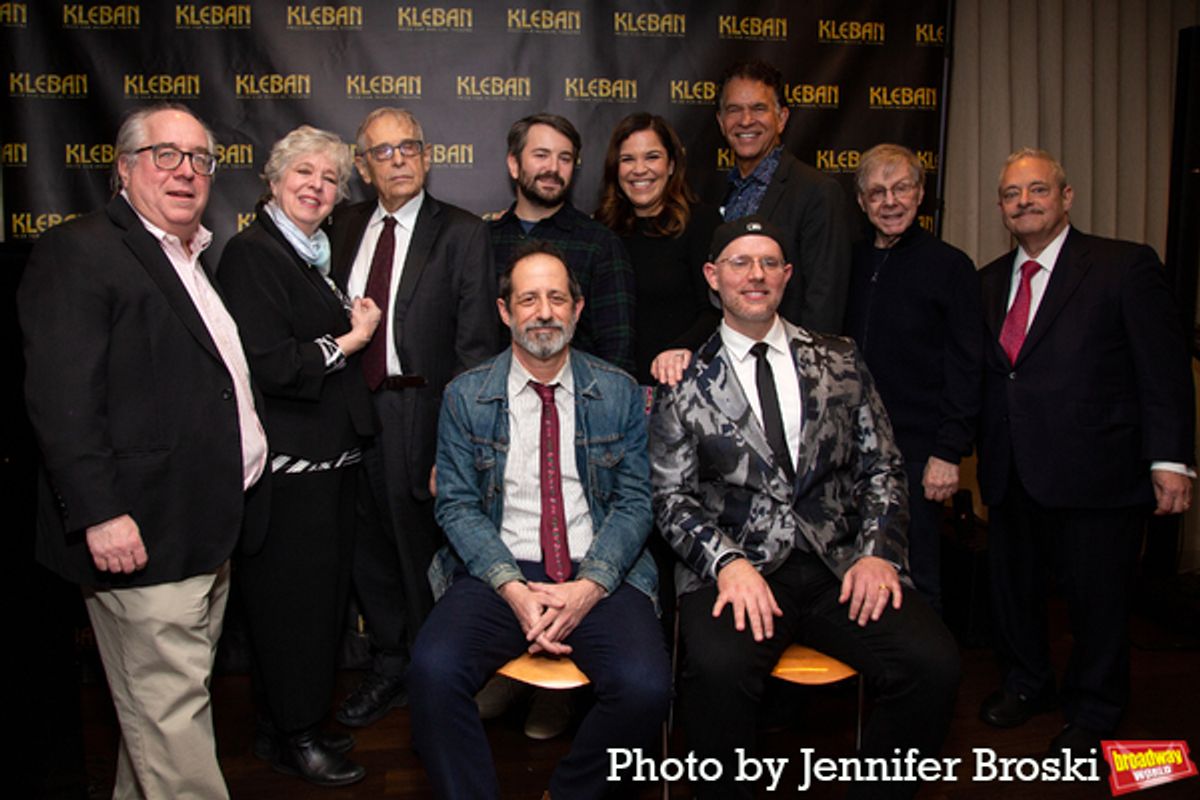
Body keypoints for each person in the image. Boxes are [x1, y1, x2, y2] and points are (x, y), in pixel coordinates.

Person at [651, 216, 959, 800]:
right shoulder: (685, 376)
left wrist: (878, 555)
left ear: (788, 275)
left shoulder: (840, 359)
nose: (756, 274)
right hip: (737, 570)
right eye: (740, 263)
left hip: (838, 565)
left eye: (769, 262)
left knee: (933, 665)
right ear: (713, 277)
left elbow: (884, 467)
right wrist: (728, 565)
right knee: (716, 672)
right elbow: (671, 497)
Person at [19, 103, 268, 799]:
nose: (186, 171)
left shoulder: (189, 257)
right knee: (170, 723)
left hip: (202, 527)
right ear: (123, 168)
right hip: (140, 532)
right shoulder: (81, 250)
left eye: (200, 159)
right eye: (167, 154)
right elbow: (62, 401)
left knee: (158, 719)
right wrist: (99, 513)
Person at [408, 242, 671, 800]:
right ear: (505, 312)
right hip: (498, 567)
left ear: (578, 308)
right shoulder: (464, 396)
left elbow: (634, 504)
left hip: (598, 565)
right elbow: (455, 504)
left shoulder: (619, 392)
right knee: (433, 673)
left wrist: (589, 586)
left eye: (557, 298)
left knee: (645, 688)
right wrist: (511, 587)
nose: (544, 312)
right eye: (528, 299)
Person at [976, 148, 1195, 756]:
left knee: (1098, 601)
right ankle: (1027, 685)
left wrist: (1170, 460)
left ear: (1066, 197)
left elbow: (1164, 369)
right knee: (1014, 593)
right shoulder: (990, 280)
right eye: (1013, 195)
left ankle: (1096, 707)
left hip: (1099, 471)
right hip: (1011, 469)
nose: (1025, 202)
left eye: (1037, 190)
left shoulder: (1123, 267)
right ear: (1000, 208)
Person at [328, 107, 500, 727]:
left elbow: (477, 348)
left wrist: (452, 449)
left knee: (421, 556)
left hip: (422, 411)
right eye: (382, 151)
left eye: (408, 148)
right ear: (362, 165)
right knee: (365, 550)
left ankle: (438, 678)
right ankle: (389, 665)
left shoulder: (461, 232)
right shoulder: (341, 227)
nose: (398, 159)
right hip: (349, 408)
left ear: (426, 157)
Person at [218, 125, 379, 786]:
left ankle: (289, 722)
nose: (316, 186)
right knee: (293, 611)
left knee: (313, 607)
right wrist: (353, 337)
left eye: (329, 179)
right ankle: (294, 736)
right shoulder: (254, 253)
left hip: (325, 468)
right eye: (303, 173)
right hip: (291, 475)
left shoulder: (309, 254)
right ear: (273, 179)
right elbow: (271, 365)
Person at [843, 143, 982, 614]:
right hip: (849, 447)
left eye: (901, 188)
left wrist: (949, 451)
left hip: (921, 447)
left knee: (917, 569)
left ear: (920, 194)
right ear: (862, 202)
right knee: (858, 565)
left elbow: (968, 364)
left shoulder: (951, 266)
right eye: (877, 192)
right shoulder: (850, 261)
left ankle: (926, 680)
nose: (890, 201)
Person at [489, 113, 636, 373]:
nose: (553, 168)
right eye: (541, 155)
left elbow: (618, 349)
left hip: (578, 404)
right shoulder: (483, 241)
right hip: (493, 402)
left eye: (565, 158)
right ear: (514, 164)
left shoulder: (599, 244)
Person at [716, 60, 852, 334]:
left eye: (758, 108)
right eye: (734, 110)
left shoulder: (817, 192)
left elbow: (825, 300)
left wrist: (807, 372)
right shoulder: (721, 192)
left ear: (781, 118)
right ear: (721, 122)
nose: (745, 120)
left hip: (789, 364)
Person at [595, 112, 722, 387]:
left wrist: (679, 350)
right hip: (613, 388)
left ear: (672, 164)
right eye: (628, 159)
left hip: (684, 383)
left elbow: (716, 310)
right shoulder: (602, 230)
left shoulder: (702, 223)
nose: (639, 169)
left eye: (652, 157)